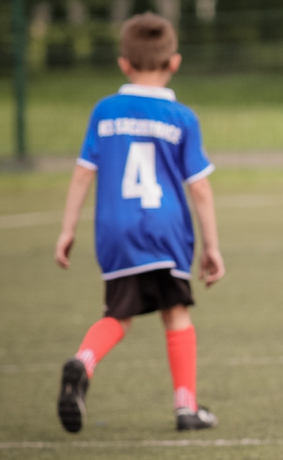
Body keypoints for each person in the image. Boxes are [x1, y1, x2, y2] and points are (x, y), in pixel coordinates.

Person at [55, 12, 224, 433]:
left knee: (118, 314)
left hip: (117, 230)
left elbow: (82, 172)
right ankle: (186, 407)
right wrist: (212, 246)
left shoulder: (105, 110)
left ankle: (83, 362)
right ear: (175, 62)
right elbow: (199, 189)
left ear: (124, 63)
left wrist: (67, 229)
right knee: (176, 311)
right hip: (166, 231)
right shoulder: (182, 117)